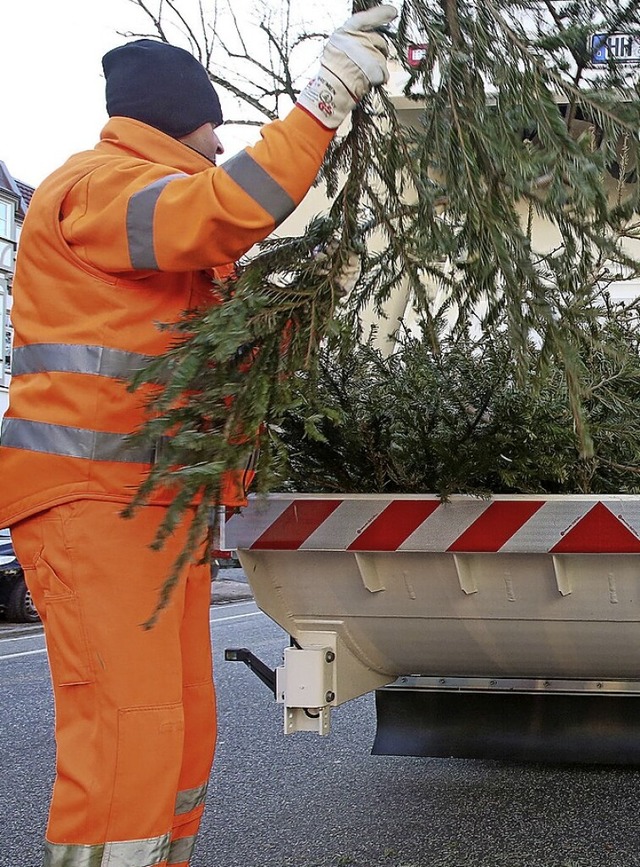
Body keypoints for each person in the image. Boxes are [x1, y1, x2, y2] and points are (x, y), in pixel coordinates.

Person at [0, 7, 396, 867]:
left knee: (178, 727)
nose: (222, 144)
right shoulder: (100, 186)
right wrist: (321, 105)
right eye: (213, 126)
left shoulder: (155, 216)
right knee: (128, 730)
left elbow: (221, 356)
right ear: (178, 121)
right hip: (91, 503)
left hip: (151, 509)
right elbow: (218, 210)